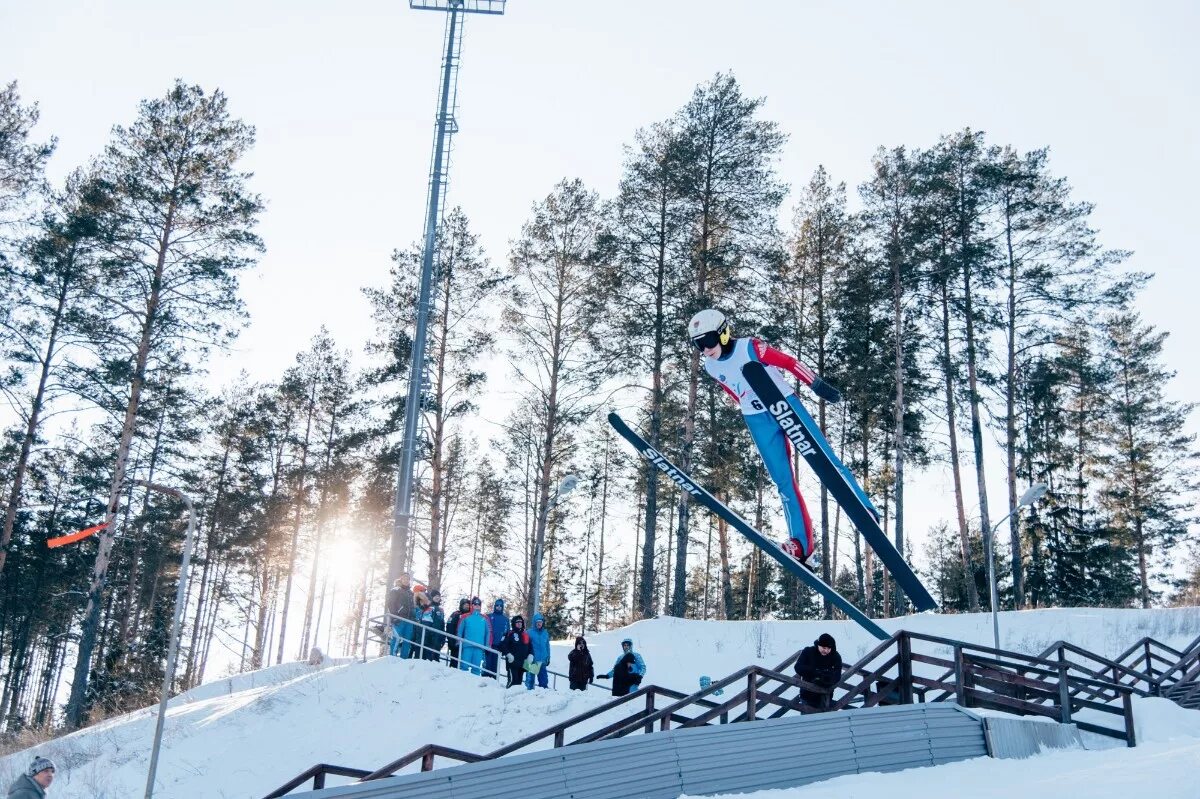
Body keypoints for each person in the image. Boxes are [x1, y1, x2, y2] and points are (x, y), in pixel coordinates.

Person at [688, 308, 864, 566]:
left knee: (825, 459)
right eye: (698, 345)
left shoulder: (751, 347)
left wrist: (817, 385)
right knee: (783, 481)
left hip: (785, 404)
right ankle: (801, 544)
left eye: (708, 341)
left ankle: (863, 507)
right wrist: (749, 407)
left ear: (723, 333)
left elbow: (790, 363)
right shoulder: (711, 367)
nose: (704, 349)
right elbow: (733, 390)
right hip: (757, 419)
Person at [794, 633, 842, 710]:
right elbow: (798, 667)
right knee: (806, 720)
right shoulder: (808, 651)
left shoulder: (835, 656)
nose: (826, 650)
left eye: (829, 648)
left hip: (825, 696)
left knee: (823, 720)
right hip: (807, 694)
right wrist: (815, 672)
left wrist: (827, 679)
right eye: (824, 647)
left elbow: (837, 675)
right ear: (818, 645)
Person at [455, 596, 493, 676]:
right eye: (475, 604)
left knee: (476, 668)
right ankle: (461, 682)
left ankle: (474, 686)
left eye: (478, 604)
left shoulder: (485, 618)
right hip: (467, 645)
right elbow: (459, 630)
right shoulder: (465, 616)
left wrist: (487, 646)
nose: (477, 605)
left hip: (479, 647)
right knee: (464, 666)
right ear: (472, 605)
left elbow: (488, 632)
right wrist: (458, 642)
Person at [497, 615, 532, 688]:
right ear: (514, 623)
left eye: (520, 622)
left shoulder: (525, 635)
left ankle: (516, 699)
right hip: (512, 663)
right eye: (517, 622)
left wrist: (530, 655)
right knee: (512, 681)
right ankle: (507, 697)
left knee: (519, 683)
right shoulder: (510, 634)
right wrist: (508, 654)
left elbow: (530, 647)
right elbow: (501, 645)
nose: (519, 623)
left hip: (522, 663)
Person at [386, 573, 415, 657]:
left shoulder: (411, 593)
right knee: (396, 638)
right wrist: (394, 617)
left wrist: (414, 617)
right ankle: (392, 657)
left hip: (409, 620)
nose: (406, 580)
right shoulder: (395, 590)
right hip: (399, 618)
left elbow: (413, 606)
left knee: (407, 640)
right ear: (401, 579)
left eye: (408, 579)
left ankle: (404, 659)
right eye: (404, 578)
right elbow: (391, 604)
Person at [416, 589, 446, 661]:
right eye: (435, 596)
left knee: (435, 656)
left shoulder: (440, 610)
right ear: (431, 597)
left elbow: (442, 623)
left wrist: (443, 636)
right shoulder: (428, 607)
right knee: (427, 656)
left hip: (438, 635)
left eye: (439, 596)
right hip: (429, 636)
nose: (437, 597)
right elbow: (425, 623)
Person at [484, 599, 510, 678]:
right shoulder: (488, 616)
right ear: (495, 606)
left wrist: (503, 646)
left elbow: (507, 634)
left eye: (500, 606)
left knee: (495, 668)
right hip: (488, 646)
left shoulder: (505, 620)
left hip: (498, 647)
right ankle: (484, 682)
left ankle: (493, 684)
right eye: (497, 605)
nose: (498, 607)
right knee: (486, 666)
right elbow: (485, 630)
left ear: (502, 607)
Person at [525, 613, 551, 690]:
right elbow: (526, 646)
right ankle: (527, 697)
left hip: (542, 661)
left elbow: (547, 646)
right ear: (534, 622)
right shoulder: (529, 632)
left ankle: (543, 698)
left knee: (544, 682)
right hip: (533, 661)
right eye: (537, 622)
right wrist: (527, 657)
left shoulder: (545, 633)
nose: (539, 623)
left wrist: (548, 657)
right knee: (530, 682)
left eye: (540, 622)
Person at [445, 597, 470, 668]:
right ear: (461, 605)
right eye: (464, 604)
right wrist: (451, 641)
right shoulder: (456, 614)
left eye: (468, 604)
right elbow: (449, 627)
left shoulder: (470, 616)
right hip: (456, 644)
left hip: (466, 644)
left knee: (464, 665)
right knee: (454, 664)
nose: (466, 606)